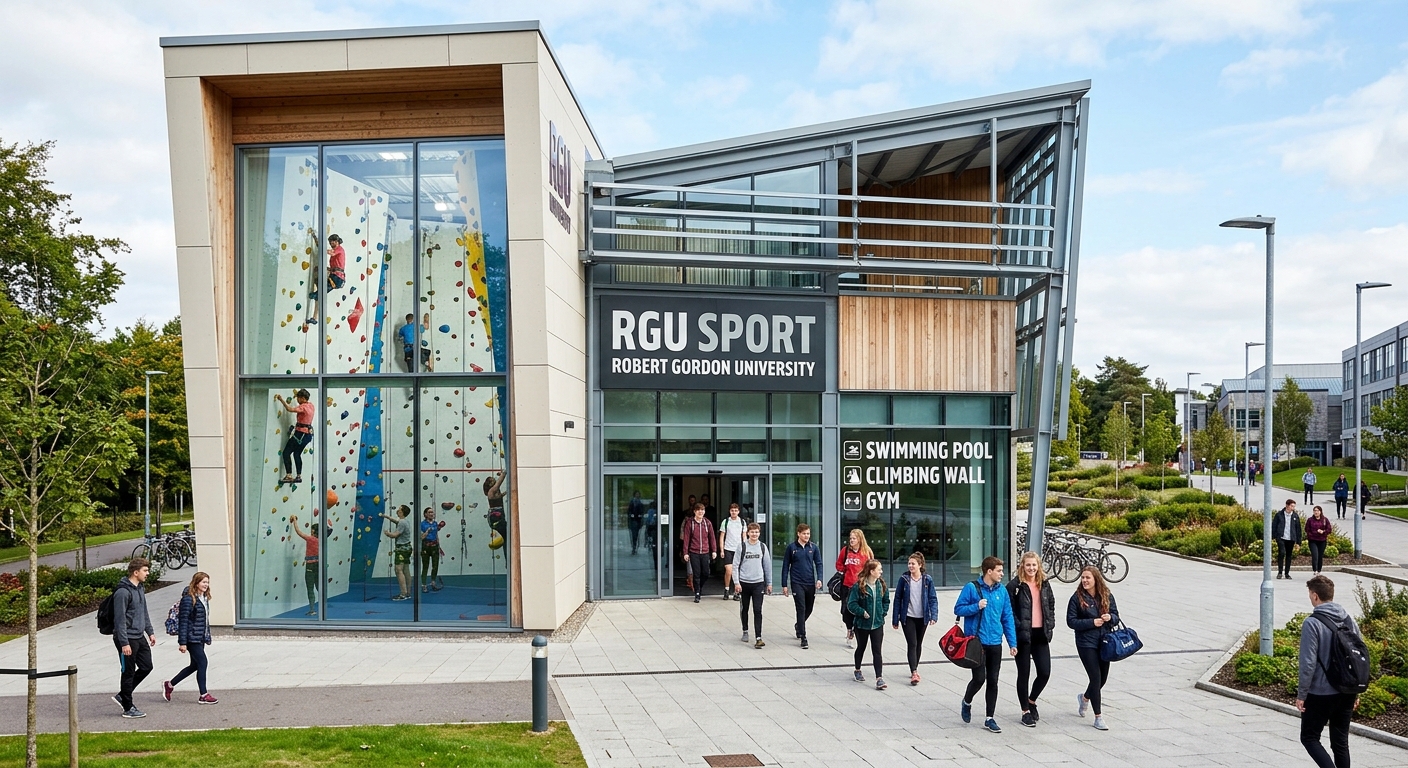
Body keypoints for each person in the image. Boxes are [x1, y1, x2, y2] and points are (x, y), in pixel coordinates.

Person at [1297, 574, 1361, 768]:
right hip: (1346, 690)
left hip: (1321, 692)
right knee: (1340, 743)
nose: (1310, 598)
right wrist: (1356, 691)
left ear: (1315, 596)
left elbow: (1308, 663)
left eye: (1310, 595)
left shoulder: (1312, 623)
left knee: (1309, 737)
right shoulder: (1349, 620)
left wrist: (1302, 694)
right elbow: (1359, 659)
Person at [955, 556, 1018, 733]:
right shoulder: (971, 588)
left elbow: (1007, 618)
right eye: (999, 570)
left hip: (995, 642)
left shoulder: (1002, 592)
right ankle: (967, 701)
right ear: (989, 571)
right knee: (979, 679)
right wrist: (976, 606)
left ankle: (989, 718)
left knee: (993, 680)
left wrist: (1012, 642)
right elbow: (958, 609)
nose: (1002, 574)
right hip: (977, 643)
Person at [1068, 565, 1119, 731]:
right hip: (1085, 642)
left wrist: (1109, 617)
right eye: (1083, 578)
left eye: (1088, 578)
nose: (1084, 581)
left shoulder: (1106, 595)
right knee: (1095, 678)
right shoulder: (1076, 598)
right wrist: (1091, 622)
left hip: (1104, 641)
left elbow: (1116, 616)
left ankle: (1085, 697)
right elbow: (1071, 621)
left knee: (1102, 679)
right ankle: (1098, 717)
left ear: (1096, 579)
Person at [1009, 551, 1055, 727]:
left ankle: (1032, 700)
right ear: (1022, 566)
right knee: (1024, 673)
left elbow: (1050, 604)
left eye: (1034, 565)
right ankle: (1025, 711)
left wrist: (1050, 624)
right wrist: (1019, 626)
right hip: (1023, 636)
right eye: (1028, 565)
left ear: (1038, 565)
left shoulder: (1044, 583)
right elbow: (1009, 610)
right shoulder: (1015, 585)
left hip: (1040, 634)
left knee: (1044, 672)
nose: (1031, 568)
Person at [163, 571, 217, 705]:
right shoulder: (188, 599)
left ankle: (169, 685)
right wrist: (182, 642)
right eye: (204, 582)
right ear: (196, 583)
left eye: (207, 582)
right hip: (191, 637)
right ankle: (203, 695)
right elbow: (183, 621)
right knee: (203, 662)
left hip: (200, 637)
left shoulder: (203, 597)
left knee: (195, 665)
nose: (206, 585)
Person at [112, 557, 157, 718]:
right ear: (135, 572)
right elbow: (119, 620)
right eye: (145, 570)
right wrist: (124, 643)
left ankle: (123, 694)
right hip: (126, 638)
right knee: (128, 672)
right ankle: (128, 707)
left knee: (146, 666)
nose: (148, 573)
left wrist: (150, 631)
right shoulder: (122, 592)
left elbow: (143, 611)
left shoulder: (140, 588)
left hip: (139, 636)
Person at [891, 552, 938, 687]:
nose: (910, 566)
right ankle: (914, 671)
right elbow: (898, 599)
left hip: (922, 617)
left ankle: (914, 666)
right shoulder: (904, 579)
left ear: (920, 565)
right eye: (909, 563)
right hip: (908, 616)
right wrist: (895, 619)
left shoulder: (927, 580)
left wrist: (933, 615)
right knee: (912, 643)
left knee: (918, 643)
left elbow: (932, 598)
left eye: (913, 563)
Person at [847, 559, 890, 690]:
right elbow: (851, 604)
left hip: (877, 624)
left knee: (877, 650)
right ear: (872, 571)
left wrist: (882, 613)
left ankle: (879, 678)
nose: (881, 572)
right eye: (879, 569)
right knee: (861, 647)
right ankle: (857, 669)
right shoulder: (859, 586)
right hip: (862, 624)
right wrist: (862, 612)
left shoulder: (881, 585)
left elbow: (886, 601)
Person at [781, 522, 824, 649]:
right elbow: (785, 566)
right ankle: (803, 636)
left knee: (809, 608)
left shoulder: (814, 548)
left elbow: (819, 564)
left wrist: (819, 579)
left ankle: (799, 625)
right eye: (804, 534)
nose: (806, 536)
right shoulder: (791, 548)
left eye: (808, 534)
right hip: (797, 582)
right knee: (801, 608)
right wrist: (784, 584)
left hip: (810, 582)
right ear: (798, 534)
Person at [733, 522, 772, 648]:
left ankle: (758, 637)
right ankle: (745, 630)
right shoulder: (742, 547)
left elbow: (767, 566)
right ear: (748, 533)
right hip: (744, 583)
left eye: (756, 532)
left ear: (759, 533)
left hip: (758, 583)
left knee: (757, 610)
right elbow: (735, 566)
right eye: (752, 532)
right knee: (744, 608)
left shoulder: (762, 547)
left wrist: (769, 583)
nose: (754, 534)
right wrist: (736, 582)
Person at [835, 529, 872, 648]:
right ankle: (849, 628)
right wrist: (844, 570)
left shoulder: (866, 552)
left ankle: (854, 633)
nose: (851, 540)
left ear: (860, 539)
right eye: (850, 538)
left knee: (858, 610)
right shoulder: (845, 550)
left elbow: (872, 567)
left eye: (854, 538)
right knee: (845, 611)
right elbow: (839, 564)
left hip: (860, 586)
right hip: (847, 585)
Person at [273, 389, 314, 484]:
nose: (297, 400)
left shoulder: (303, 407)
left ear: (303, 398)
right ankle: (299, 476)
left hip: (300, 434)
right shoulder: (311, 406)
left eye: (298, 398)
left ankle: (289, 475)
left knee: (286, 452)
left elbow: (290, 409)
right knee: (297, 454)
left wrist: (281, 400)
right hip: (308, 435)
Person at [681, 503, 716, 603]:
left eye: (702, 510)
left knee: (706, 573)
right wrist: (685, 553)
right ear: (695, 511)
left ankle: (699, 587)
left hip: (705, 552)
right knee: (696, 574)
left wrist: (714, 550)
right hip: (694, 552)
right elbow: (686, 539)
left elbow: (712, 538)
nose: (701, 512)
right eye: (698, 510)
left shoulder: (707, 523)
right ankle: (697, 593)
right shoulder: (690, 523)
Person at [379, 505, 414, 600]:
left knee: (398, 570)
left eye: (399, 509)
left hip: (401, 549)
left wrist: (387, 533)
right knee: (406, 570)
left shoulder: (402, 522)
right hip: (407, 548)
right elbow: (396, 521)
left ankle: (403, 593)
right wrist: (386, 516)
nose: (397, 510)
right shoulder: (404, 520)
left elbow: (395, 535)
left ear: (401, 512)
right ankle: (408, 593)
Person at [289, 514, 320, 615]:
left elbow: (299, 532)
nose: (311, 531)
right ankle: (322, 606)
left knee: (310, 588)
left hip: (310, 566)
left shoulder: (311, 539)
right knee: (318, 586)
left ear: (314, 531)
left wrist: (294, 521)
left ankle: (312, 609)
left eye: (312, 530)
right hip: (318, 565)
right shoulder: (321, 540)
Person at [718, 502, 746, 600]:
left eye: (735, 510)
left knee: (737, 571)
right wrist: (721, 550)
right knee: (729, 571)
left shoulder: (742, 522)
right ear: (729, 511)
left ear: (738, 511)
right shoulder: (726, 522)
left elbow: (744, 537)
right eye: (732, 510)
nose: (734, 512)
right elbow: (722, 537)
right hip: (728, 549)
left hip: (739, 549)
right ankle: (726, 589)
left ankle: (736, 592)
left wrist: (745, 549)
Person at [1273, 499, 1303, 579]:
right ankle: (1280, 572)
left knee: (1289, 555)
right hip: (1281, 537)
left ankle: (1287, 573)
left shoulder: (1295, 516)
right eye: (1291, 506)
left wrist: (1298, 542)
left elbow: (1298, 529)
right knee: (1282, 553)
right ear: (1287, 505)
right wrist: (1274, 536)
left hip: (1291, 538)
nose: (1293, 508)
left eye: (1294, 506)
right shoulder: (1279, 515)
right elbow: (1274, 526)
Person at [420, 507, 445, 592]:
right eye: (429, 512)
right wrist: (427, 531)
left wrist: (439, 546)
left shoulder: (435, 523)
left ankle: (433, 582)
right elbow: (421, 537)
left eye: (432, 512)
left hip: (434, 546)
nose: (431, 514)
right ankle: (423, 585)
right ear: (425, 514)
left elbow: (436, 535)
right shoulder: (422, 524)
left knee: (435, 566)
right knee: (425, 566)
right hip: (426, 547)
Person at [1305, 506, 1332, 575]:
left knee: (1320, 555)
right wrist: (1313, 534)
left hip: (1322, 540)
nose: (1316, 512)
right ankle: (1315, 570)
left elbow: (1329, 529)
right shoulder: (1310, 520)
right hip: (1313, 540)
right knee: (1315, 555)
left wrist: (1323, 532)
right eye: (1314, 511)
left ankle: (1319, 570)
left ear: (1320, 511)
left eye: (1317, 511)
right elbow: (1307, 529)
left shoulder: (1325, 520)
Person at [484, 471, 507, 543]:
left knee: (504, 532)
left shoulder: (492, 492)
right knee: (504, 531)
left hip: (495, 514)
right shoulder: (492, 491)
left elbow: (498, 497)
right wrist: (504, 473)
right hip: (496, 514)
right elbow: (499, 482)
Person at [626, 490, 646, 556]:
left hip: (637, 520)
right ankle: (634, 547)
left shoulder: (640, 503)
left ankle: (635, 547)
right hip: (633, 520)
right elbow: (629, 511)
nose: (637, 495)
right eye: (636, 494)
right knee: (633, 535)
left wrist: (641, 517)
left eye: (638, 494)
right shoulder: (632, 502)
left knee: (636, 535)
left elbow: (642, 511)